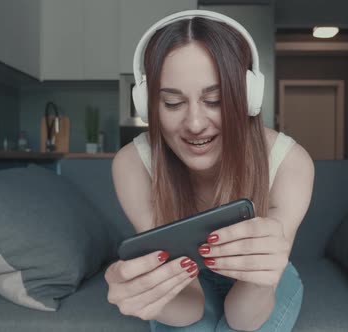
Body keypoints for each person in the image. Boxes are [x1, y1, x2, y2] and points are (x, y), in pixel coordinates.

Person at [105, 10, 314, 332]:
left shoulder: (290, 164)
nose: (195, 124)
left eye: (215, 100)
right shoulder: (132, 165)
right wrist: (151, 292)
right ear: (149, 105)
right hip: (190, 276)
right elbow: (186, 313)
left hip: (266, 276)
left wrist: (260, 282)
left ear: (248, 98)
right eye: (173, 103)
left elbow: (244, 320)